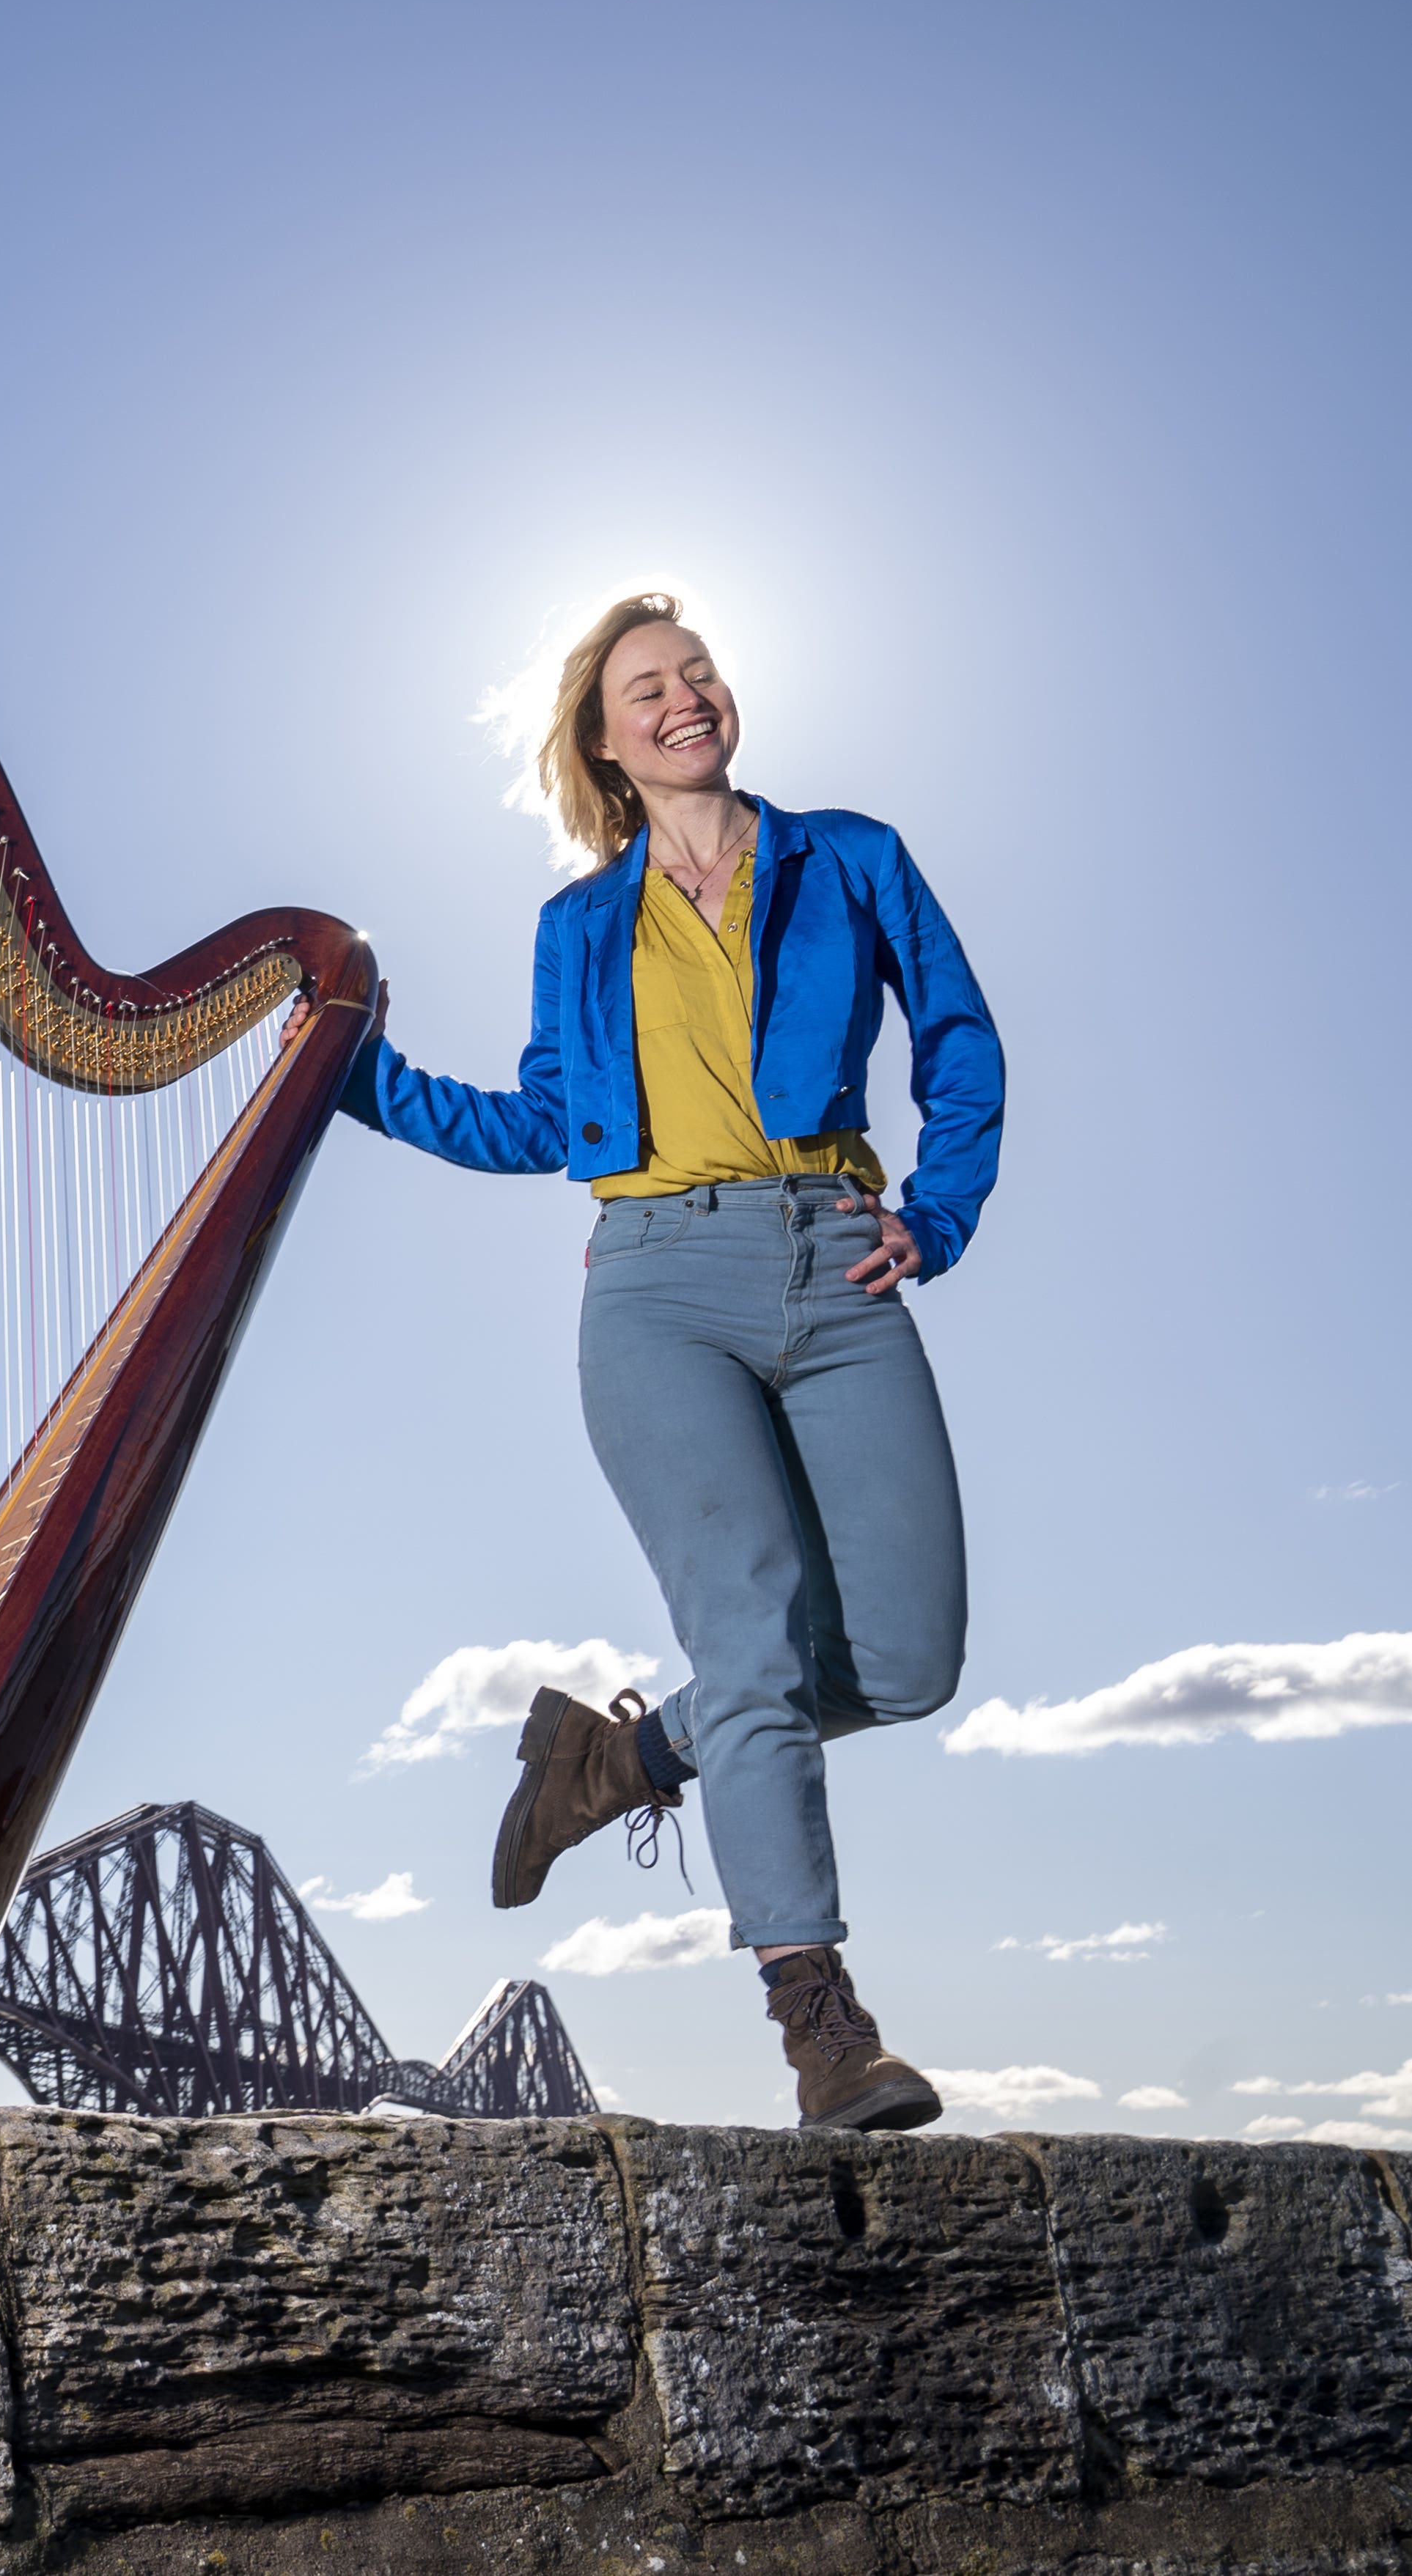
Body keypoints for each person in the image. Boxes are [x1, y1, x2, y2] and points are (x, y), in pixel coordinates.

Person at [336, 592, 1001, 2131]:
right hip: (654, 1287)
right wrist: (346, 1075)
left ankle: (619, 1756)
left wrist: (937, 1211)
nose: (682, 695)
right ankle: (821, 2025)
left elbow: (957, 1035)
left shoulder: (849, 854)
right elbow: (532, 1124)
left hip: (838, 1259)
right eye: (645, 685)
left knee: (905, 1658)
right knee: (754, 1637)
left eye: (695, 670)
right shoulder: (578, 925)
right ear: (601, 739)